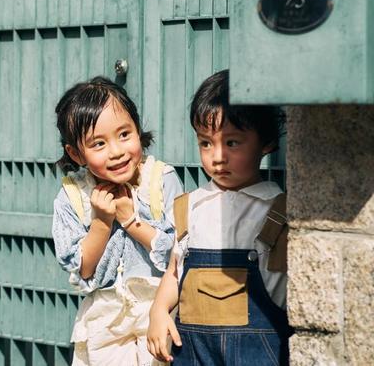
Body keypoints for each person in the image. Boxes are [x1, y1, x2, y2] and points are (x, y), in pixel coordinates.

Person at [147, 69, 290, 365]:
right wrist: (158, 312)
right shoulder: (190, 207)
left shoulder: (278, 209)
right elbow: (175, 272)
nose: (218, 157)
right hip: (193, 352)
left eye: (232, 143)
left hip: (259, 354)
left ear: (266, 143)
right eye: (206, 143)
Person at [52, 76, 183, 365]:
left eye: (124, 134)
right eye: (98, 143)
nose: (116, 151)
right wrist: (100, 222)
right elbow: (84, 270)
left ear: (137, 130)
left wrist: (129, 219)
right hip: (105, 321)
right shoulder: (72, 196)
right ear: (76, 153)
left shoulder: (160, 179)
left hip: (160, 309)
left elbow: (180, 252)